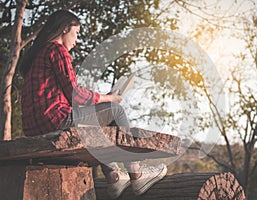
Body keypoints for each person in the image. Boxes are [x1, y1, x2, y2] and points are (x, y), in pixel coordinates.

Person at [19, 10, 167, 199]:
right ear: (65, 29)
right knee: (115, 110)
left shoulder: (37, 56)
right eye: (77, 33)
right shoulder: (56, 50)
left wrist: (100, 99)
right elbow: (76, 95)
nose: (77, 40)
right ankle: (136, 173)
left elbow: (71, 98)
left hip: (35, 128)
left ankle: (113, 175)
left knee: (93, 121)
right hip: (55, 121)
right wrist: (110, 98)